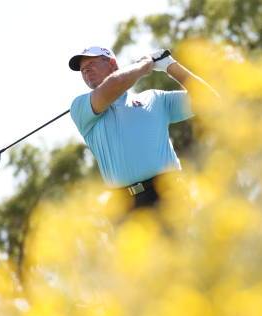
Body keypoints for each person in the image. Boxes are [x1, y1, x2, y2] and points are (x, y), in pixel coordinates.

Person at [68, 46, 218, 211]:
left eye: (91, 63)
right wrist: (144, 66)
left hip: (170, 194)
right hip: (125, 207)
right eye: (82, 69)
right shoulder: (80, 107)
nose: (85, 70)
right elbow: (114, 84)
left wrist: (170, 65)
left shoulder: (154, 99)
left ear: (111, 63)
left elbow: (209, 99)